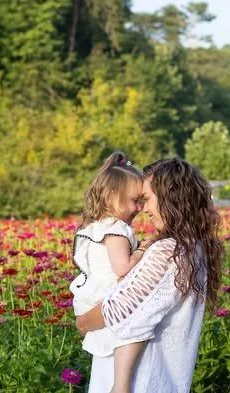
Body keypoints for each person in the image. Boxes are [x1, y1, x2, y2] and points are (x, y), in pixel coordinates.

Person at [76, 157, 224, 393]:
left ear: (170, 198)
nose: (143, 209)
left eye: (147, 199)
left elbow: (119, 311)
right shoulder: (195, 247)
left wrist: (83, 322)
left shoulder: (168, 251)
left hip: (135, 382)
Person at [70, 151, 149, 393]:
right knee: (134, 332)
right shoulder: (116, 230)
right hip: (105, 299)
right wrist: (142, 251)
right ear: (112, 196)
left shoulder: (98, 226)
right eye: (135, 200)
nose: (140, 208)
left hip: (91, 299)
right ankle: (121, 385)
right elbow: (122, 268)